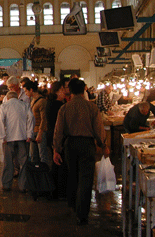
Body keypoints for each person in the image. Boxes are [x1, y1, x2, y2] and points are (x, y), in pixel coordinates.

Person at [53, 78, 110, 226]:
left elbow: (58, 131)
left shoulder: (65, 108)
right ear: (84, 90)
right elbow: (98, 128)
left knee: (72, 175)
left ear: (69, 91)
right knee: (86, 179)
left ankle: (73, 205)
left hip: (70, 144)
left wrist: (56, 149)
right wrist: (103, 145)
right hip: (87, 145)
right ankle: (82, 214)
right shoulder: (91, 108)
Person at [0, 91, 35, 191]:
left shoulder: (3, 106)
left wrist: (2, 136)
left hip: (8, 139)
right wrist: (29, 134)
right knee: (23, 163)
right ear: (17, 97)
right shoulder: (25, 105)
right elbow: (31, 118)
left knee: (8, 162)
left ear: (8, 98)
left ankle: (6, 184)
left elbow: (1, 121)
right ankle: (23, 186)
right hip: (23, 137)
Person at [45, 81, 67, 200]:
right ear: (58, 91)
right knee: (58, 163)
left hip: (51, 135)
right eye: (63, 89)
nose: (64, 92)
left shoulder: (50, 102)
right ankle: (57, 191)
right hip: (56, 136)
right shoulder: (58, 105)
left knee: (55, 163)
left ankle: (54, 190)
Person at [23, 80, 50, 166]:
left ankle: (44, 176)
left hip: (40, 131)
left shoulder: (42, 101)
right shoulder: (33, 100)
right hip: (33, 131)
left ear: (31, 90)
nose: (25, 93)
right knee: (34, 156)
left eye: (26, 91)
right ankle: (35, 176)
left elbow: (44, 119)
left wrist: (40, 133)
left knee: (43, 156)